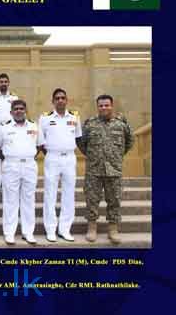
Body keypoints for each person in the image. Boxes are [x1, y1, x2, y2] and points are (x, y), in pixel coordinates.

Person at [77, 95, 134, 244]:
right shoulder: (90, 124)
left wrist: (116, 157)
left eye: (106, 105)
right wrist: (93, 156)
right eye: (101, 105)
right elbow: (82, 144)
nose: (104, 108)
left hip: (114, 170)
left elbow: (129, 142)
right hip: (94, 170)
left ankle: (113, 229)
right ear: (97, 107)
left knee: (114, 200)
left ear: (112, 105)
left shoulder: (121, 125)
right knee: (92, 200)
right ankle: (92, 228)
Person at [0, 100, 42, 245]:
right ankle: (9, 233)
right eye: (16, 109)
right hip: (11, 166)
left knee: (28, 200)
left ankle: (28, 232)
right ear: (11, 112)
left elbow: (39, 145)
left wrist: (28, 156)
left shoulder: (34, 126)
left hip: (29, 165)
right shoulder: (4, 128)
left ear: (25, 110)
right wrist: (8, 159)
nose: (19, 111)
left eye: (21, 108)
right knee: (10, 200)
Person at [38, 88, 82, 242]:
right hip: (52, 158)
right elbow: (41, 142)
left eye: (63, 98)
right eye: (57, 98)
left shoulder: (75, 117)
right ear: (53, 101)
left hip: (70, 158)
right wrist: (52, 154)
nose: (60, 100)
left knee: (69, 194)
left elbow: (78, 138)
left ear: (67, 100)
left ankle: (65, 229)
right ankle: (50, 229)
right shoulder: (44, 118)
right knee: (50, 194)